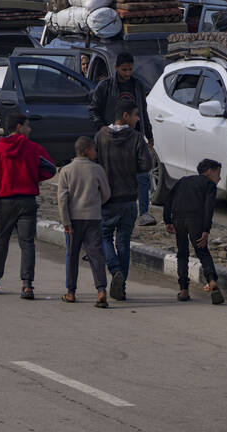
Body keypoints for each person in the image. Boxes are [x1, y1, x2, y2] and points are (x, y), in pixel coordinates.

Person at [0, 115, 57, 300]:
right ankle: (27, 286)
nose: (30, 130)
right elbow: (51, 168)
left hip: (5, 203)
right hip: (27, 202)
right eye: (27, 126)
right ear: (19, 127)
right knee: (27, 243)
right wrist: (32, 176)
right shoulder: (34, 149)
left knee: (0, 241)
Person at [88, 52, 155, 225]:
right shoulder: (105, 87)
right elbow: (94, 109)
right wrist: (102, 127)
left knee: (142, 174)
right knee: (111, 172)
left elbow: (143, 111)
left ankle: (144, 212)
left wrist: (149, 134)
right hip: (112, 136)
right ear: (116, 68)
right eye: (124, 70)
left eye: (130, 69)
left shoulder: (137, 86)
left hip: (133, 136)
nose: (127, 73)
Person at [94, 100, 152, 302]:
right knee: (124, 242)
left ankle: (115, 270)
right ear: (125, 116)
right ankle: (122, 285)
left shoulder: (100, 136)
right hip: (128, 199)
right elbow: (146, 165)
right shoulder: (136, 138)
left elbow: (94, 163)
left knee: (105, 237)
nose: (138, 119)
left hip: (106, 199)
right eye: (136, 115)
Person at [56, 136, 110, 307]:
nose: (96, 152)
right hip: (93, 217)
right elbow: (106, 193)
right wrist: (95, 204)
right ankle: (101, 290)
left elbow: (62, 198)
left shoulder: (66, 170)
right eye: (94, 149)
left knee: (72, 256)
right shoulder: (97, 169)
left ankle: (71, 292)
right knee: (96, 255)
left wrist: (65, 221)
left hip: (72, 220)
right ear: (87, 150)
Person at [164, 159, 225, 304]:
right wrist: (206, 230)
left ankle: (184, 289)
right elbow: (208, 208)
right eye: (218, 173)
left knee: (182, 254)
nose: (220, 178)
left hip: (178, 220)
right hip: (195, 221)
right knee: (202, 251)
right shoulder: (209, 185)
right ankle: (211, 281)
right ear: (209, 171)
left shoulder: (183, 180)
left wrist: (168, 220)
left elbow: (168, 199)